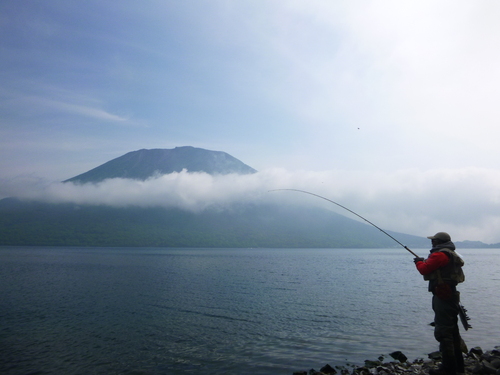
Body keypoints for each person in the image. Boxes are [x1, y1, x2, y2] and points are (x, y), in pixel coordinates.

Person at [414, 232, 466, 375]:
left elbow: (424, 269)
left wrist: (418, 262)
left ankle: (448, 369)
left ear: (438, 242)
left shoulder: (440, 255)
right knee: (452, 331)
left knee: (443, 332)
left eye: (434, 240)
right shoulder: (450, 253)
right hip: (451, 294)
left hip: (443, 296)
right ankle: (458, 368)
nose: (432, 242)